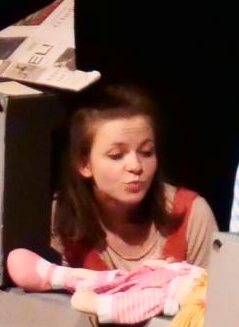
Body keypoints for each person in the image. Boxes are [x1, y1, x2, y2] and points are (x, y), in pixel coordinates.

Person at [48, 84, 216, 271]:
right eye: (117, 155)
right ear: (84, 164)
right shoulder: (60, 218)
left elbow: (216, 288)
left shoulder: (192, 214)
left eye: (146, 152)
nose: (136, 166)